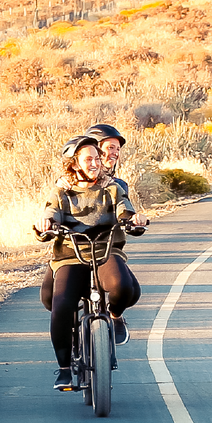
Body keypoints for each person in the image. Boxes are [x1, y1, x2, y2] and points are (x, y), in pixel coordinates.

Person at [36, 134, 140, 389]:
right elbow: (50, 212)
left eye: (97, 158)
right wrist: (45, 224)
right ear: (74, 163)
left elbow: (124, 209)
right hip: (71, 255)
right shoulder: (62, 191)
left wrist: (134, 220)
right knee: (61, 305)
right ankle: (63, 368)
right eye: (88, 159)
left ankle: (114, 317)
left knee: (122, 287)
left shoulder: (113, 188)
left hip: (106, 251)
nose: (95, 163)